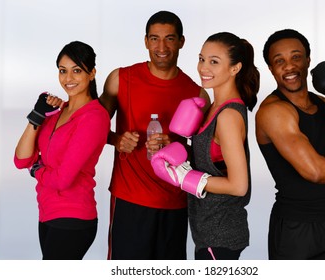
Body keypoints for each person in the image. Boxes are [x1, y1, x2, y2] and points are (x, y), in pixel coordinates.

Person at [99, 10, 210, 260]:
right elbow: (90, 127)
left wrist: (177, 146)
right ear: (146, 41)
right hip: (130, 198)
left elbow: (204, 155)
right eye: (154, 38)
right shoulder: (121, 79)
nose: (162, 47)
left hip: (176, 201)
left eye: (170, 38)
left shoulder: (197, 94)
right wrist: (117, 139)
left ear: (181, 41)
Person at [256, 29, 325, 259]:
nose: (289, 66)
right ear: (271, 68)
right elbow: (316, 172)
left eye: (296, 57)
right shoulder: (274, 112)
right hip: (295, 228)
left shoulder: (324, 104)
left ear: (308, 60)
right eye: (279, 61)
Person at [151, 32, 260, 260]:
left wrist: (185, 178)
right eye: (202, 59)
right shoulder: (213, 109)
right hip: (209, 231)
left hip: (220, 235)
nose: (203, 68)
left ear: (235, 68)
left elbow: (239, 186)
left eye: (214, 62)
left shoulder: (228, 116)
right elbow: (215, 160)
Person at [14, 41, 110, 260]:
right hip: (47, 211)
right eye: (63, 71)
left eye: (77, 71)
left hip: (73, 217)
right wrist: (37, 116)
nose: (69, 79)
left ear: (92, 73)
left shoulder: (94, 117)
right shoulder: (57, 112)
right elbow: (21, 159)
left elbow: (62, 179)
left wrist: (35, 170)